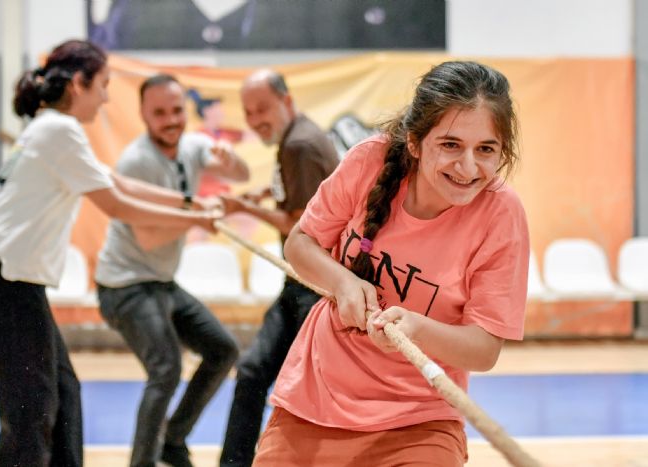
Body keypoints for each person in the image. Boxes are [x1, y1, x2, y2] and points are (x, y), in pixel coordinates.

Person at [252, 61, 530, 466]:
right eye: (450, 145)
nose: (468, 167)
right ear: (415, 143)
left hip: (419, 419)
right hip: (313, 398)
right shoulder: (370, 160)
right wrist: (343, 282)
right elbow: (300, 244)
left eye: (485, 149)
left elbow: (484, 349)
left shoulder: (501, 215)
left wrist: (416, 328)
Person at [0, 40, 222, 467]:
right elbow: (116, 205)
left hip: (8, 279)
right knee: (32, 411)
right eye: (102, 85)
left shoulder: (50, 128)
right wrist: (194, 218)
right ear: (79, 84)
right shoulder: (59, 130)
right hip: (5, 282)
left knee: (64, 394)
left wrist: (189, 203)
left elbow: (116, 183)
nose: (105, 97)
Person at [95, 73, 248, 467]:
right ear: (144, 115)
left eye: (177, 110)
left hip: (162, 283)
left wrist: (233, 160)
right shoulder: (136, 161)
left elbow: (241, 175)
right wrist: (198, 216)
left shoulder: (193, 145)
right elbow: (148, 236)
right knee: (166, 367)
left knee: (223, 350)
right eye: (159, 112)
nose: (170, 119)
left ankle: (173, 439)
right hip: (125, 286)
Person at [219, 69, 340, 467]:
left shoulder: (300, 145)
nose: (255, 120)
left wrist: (244, 207)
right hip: (298, 283)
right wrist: (263, 193)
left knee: (306, 390)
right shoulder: (295, 137)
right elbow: (301, 191)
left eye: (262, 109)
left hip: (316, 288)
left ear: (286, 101)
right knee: (253, 371)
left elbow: (298, 224)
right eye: (248, 112)